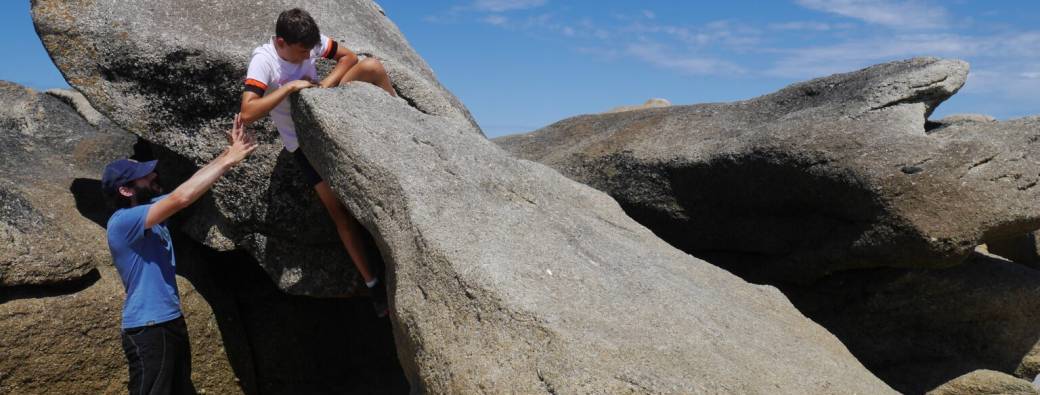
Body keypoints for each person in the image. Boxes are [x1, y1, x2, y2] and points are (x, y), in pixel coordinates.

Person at [239, 8, 394, 316]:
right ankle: (373, 284)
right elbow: (247, 112)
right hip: (302, 142)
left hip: (325, 111)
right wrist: (288, 87)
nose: (307, 56)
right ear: (281, 42)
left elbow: (348, 57)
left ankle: (405, 123)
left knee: (372, 66)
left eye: (310, 50)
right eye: (301, 52)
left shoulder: (309, 41)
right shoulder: (264, 60)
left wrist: (325, 86)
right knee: (340, 214)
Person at [103, 115, 257, 395]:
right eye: (144, 176)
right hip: (149, 327)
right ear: (125, 190)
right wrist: (228, 161)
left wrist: (228, 153)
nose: (153, 176)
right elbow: (181, 198)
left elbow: (189, 187)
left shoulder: (149, 212)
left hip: (168, 321)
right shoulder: (124, 221)